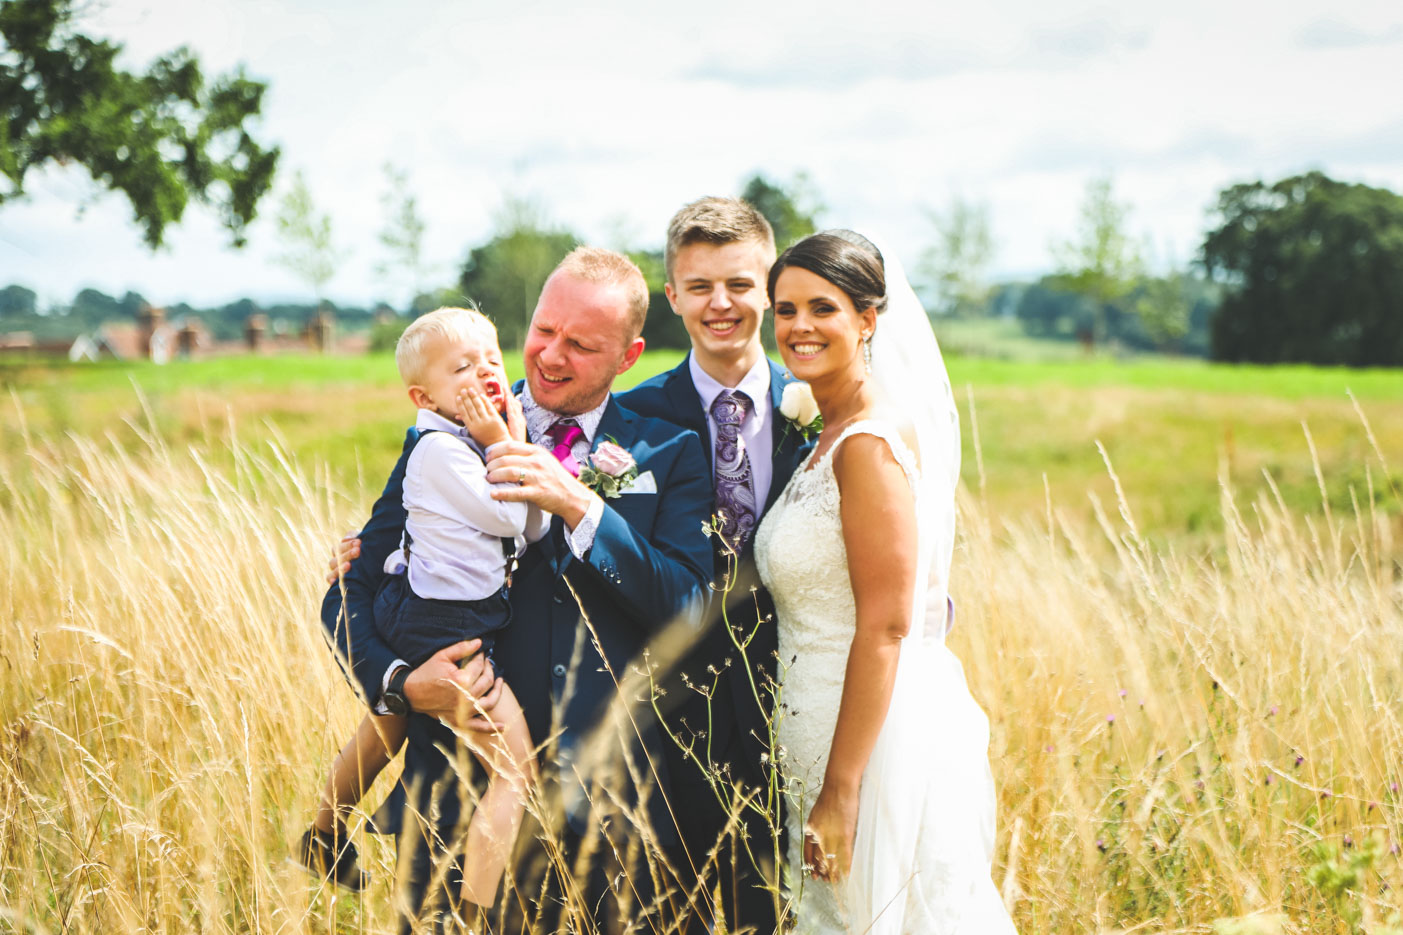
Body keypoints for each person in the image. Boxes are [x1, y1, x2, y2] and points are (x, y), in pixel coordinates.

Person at [319, 247, 714, 932]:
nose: (551, 356)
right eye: (543, 330)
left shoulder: (669, 452)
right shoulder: (442, 437)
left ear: (628, 356)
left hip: (610, 819)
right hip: (454, 806)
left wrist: (581, 507)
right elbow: (349, 593)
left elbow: (689, 607)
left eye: (581, 345)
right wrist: (401, 684)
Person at [753, 231, 1017, 934]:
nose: (799, 326)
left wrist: (842, 791)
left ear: (868, 319)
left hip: (869, 743)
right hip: (814, 722)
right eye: (785, 309)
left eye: (823, 308)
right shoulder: (828, 429)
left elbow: (887, 624)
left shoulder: (866, 444)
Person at [298, 307, 545, 908]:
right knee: (515, 770)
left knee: (387, 722)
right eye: (463, 367)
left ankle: (323, 833)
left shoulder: (476, 433)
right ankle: (476, 912)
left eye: (492, 359)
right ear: (424, 397)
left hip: (436, 612)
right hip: (447, 628)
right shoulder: (441, 448)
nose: (485, 373)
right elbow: (512, 518)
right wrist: (506, 444)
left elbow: (528, 527)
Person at [619, 196, 812, 933]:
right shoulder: (631, 417)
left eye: (738, 283)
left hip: (797, 694)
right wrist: (385, 547)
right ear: (672, 296)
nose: (719, 304)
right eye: (699, 286)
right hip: (670, 708)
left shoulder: (819, 408)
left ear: (770, 288)